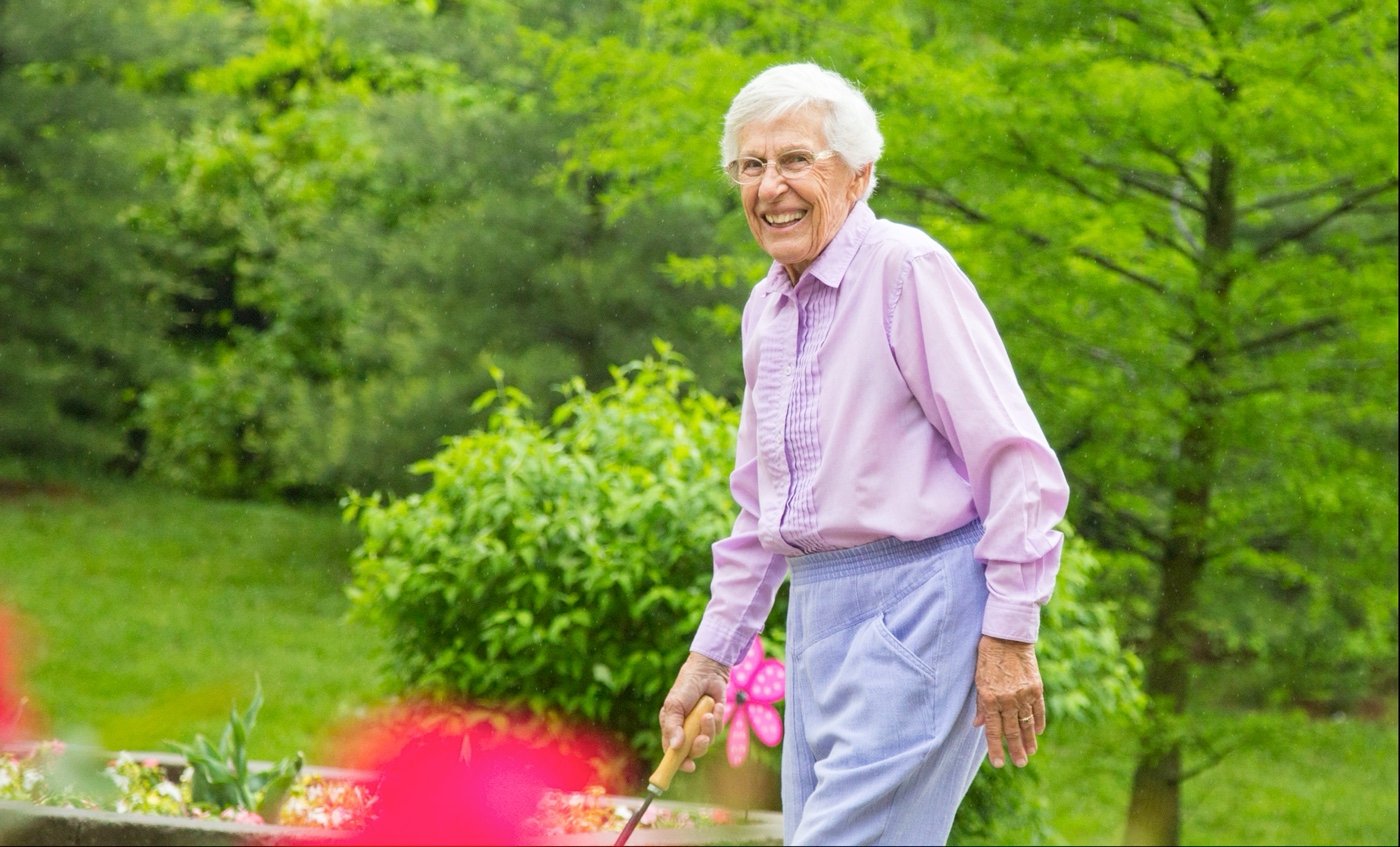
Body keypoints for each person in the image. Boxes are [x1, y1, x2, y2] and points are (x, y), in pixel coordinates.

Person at [656, 63, 1070, 846]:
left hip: (921, 604)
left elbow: (1017, 461)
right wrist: (712, 656)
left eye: (795, 160)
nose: (769, 185)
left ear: (860, 173)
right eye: (751, 165)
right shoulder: (766, 304)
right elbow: (760, 512)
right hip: (818, 613)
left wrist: (1012, 629)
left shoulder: (905, 270)